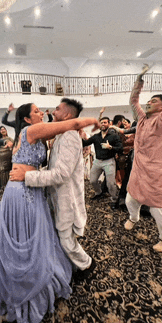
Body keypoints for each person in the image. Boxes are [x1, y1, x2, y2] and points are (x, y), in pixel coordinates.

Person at [0, 102, 99, 323]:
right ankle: (22, 283)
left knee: (31, 236)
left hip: (30, 189)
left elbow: (41, 162)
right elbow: (75, 122)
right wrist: (91, 121)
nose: (43, 112)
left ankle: (31, 276)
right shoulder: (31, 130)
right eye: (37, 111)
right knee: (24, 238)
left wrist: (30, 172)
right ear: (28, 119)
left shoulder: (40, 134)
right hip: (22, 191)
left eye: (44, 110)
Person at [10, 99, 100, 279]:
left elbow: (60, 174)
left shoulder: (69, 136)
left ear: (66, 115)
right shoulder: (61, 134)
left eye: (57, 109)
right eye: (37, 111)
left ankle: (87, 265)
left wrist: (28, 176)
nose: (50, 112)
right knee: (58, 236)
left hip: (67, 199)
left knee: (67, 241)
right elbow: (53, 168)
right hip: (53, 195)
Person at [124, 79, 162, 252]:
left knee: (158, 209)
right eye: (149, 100)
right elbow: (133, 101)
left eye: (154, 101)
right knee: (130, 199)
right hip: (138, 168)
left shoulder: (160, 121)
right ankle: (134, 218)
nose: (149, 103)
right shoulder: (141, 118)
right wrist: (138, 84)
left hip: (156, 172)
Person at [83, 117, 123, 209]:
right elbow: (85, 143)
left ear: (109, 124)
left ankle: (114, 199)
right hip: (98, 161)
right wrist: (78, 136)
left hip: (109, 161)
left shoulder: (114, 136)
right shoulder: (96, 136)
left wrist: (111, 148)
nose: (103, 124)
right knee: (92, 180)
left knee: (110, 183)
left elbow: (120, 148)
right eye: (101, 123)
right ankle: (99, 193)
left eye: (105, 122)